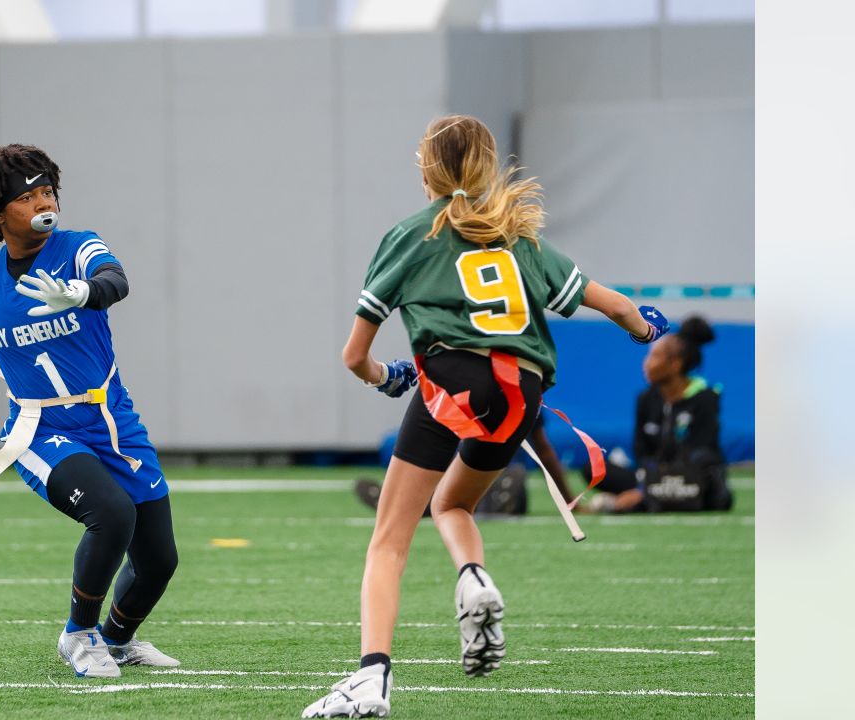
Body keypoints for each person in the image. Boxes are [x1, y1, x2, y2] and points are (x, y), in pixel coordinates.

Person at [303, 115, 669, 718]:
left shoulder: (412, 234)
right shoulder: (519, 236)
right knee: (452, 504)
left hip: (453, 382)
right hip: (520, 394)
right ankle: (473, 576)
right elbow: (618, 307)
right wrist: (644, 327)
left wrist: (387, 377)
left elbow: (354, 356)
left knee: (389, 542)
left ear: (427, 169)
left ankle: (371, 678)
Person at [0, 144, 179, 679]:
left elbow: (116, 281)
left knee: (159, 561)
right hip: (38, 427)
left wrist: (82, 293)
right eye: (26, 197)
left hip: (111, 418)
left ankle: (117, 639)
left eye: (47, 190)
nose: (42, 203)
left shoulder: (77, 247)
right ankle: (79, 634)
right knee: (112, 514)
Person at [585, 316, 731, 513]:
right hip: (651, 477)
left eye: (654, 357)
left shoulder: (705, 398)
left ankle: (641, 500)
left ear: (675, 364)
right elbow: (641, 451)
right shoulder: (646, 399)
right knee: (593, 468)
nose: (646, 364)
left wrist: (651, 488)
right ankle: (644, 498)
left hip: (692, 478)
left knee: (714, 491)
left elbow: (702, 452)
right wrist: (647, 481)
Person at [354, 413, 573, 517]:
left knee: (511, 475)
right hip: (455, 472)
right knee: (451, 476)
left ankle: (411, 503)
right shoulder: (458, 386)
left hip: (497, 473)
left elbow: (543, 450)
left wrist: (570, 501)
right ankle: (411, 499)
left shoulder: (523, 390)